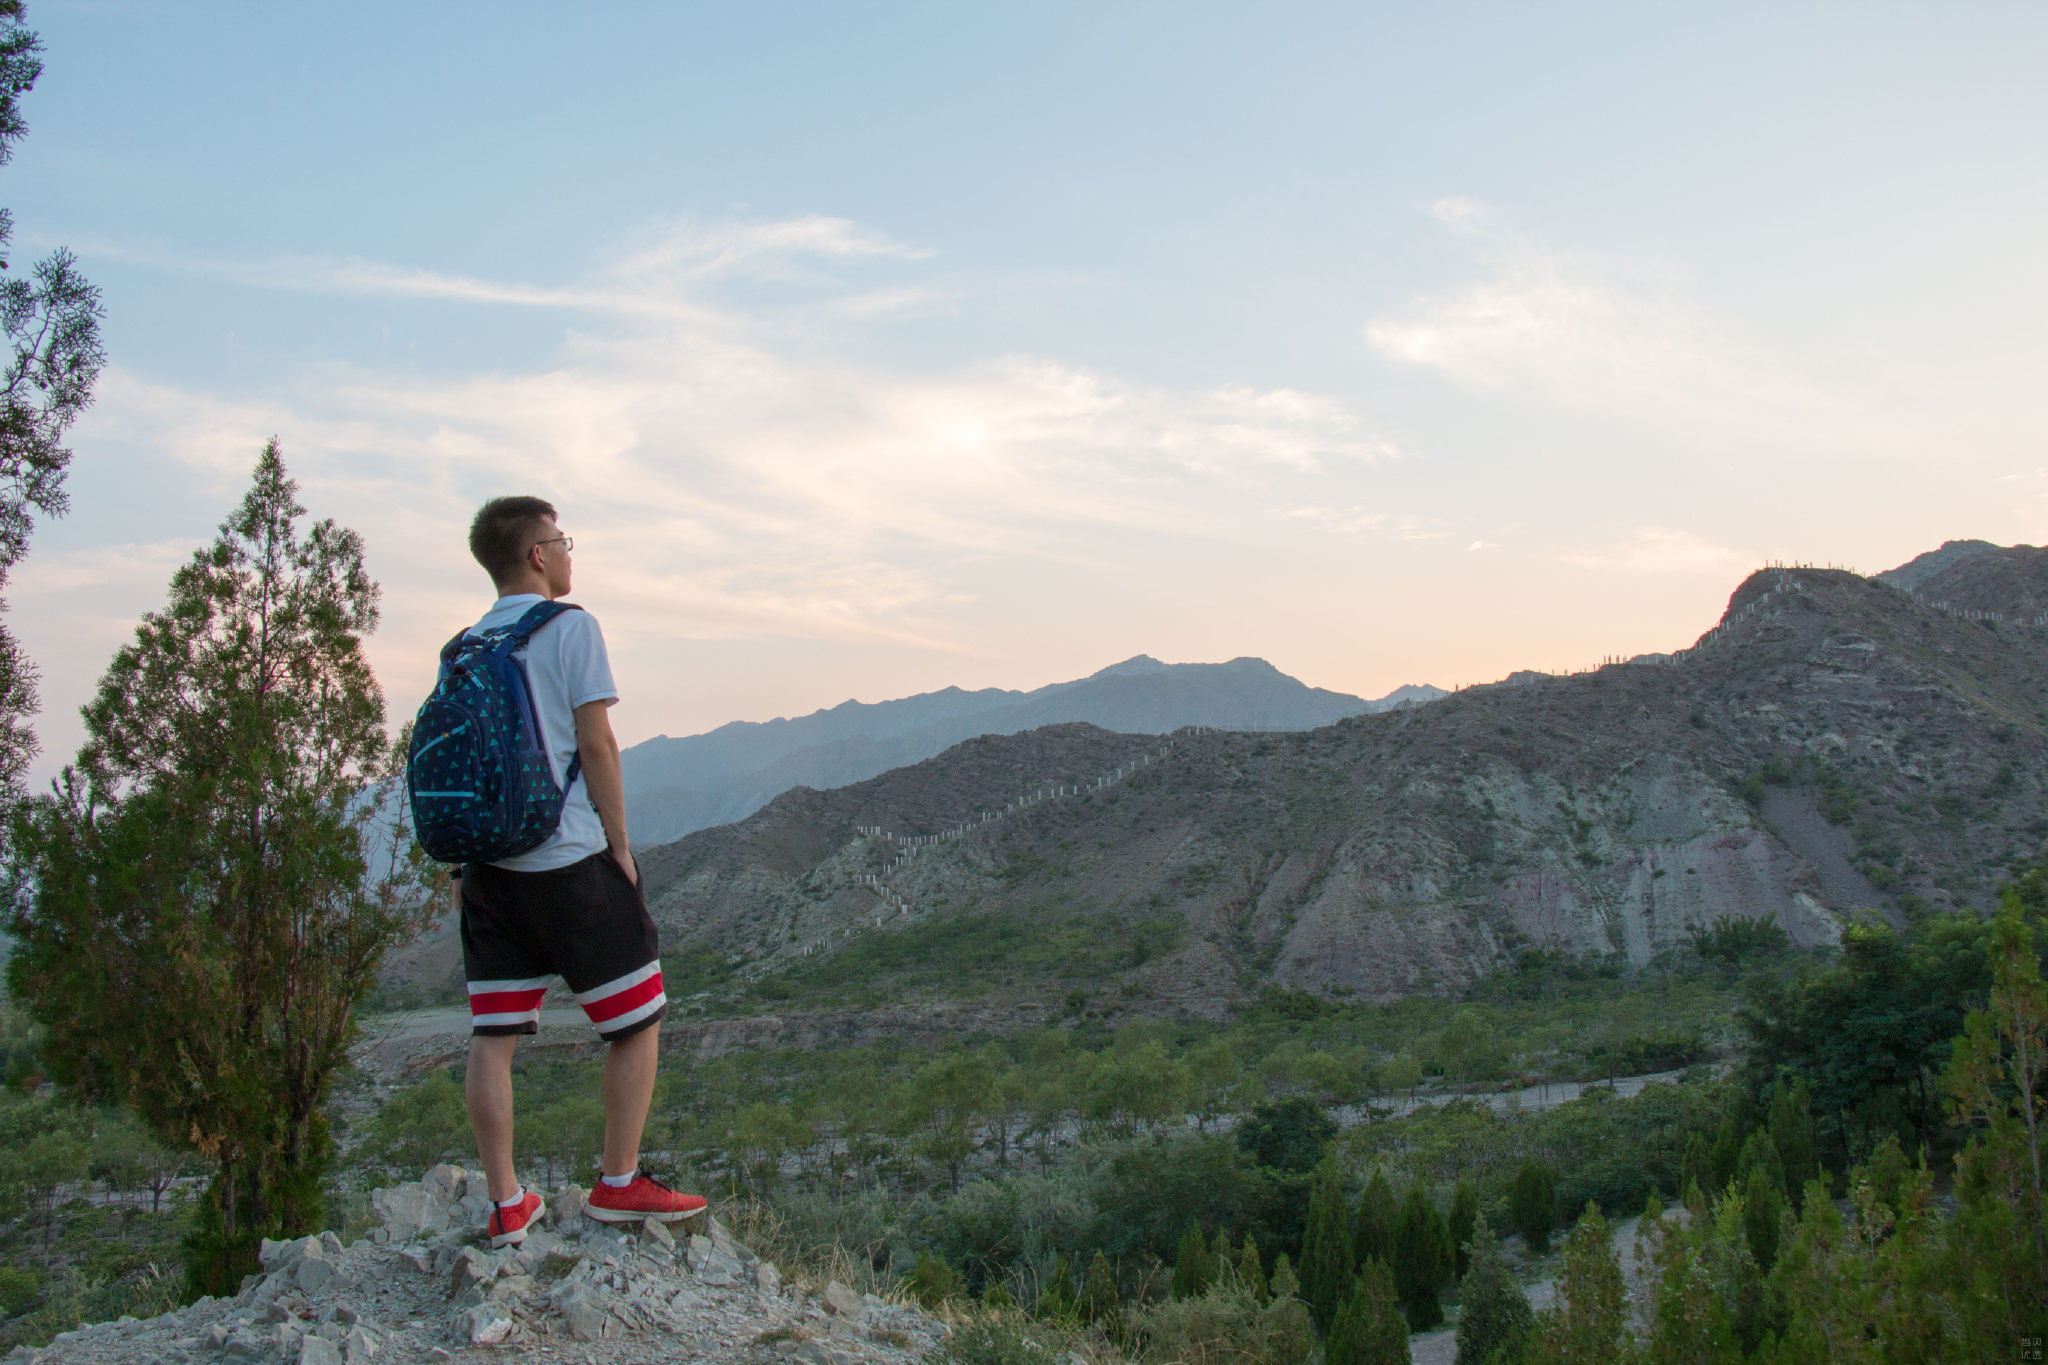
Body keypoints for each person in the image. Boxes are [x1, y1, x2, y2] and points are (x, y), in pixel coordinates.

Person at [454, 495, 706, 1247]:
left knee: (492, 1036)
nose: (569, 553)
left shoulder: (463, 646)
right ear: (537, 554)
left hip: (488, 872)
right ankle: (619, 1181)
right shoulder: (571, 627)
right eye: (562, 540)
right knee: (639, 1018)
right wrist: (620, 845)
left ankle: (507, 1203)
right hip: (566, 862)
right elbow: (598, 745)